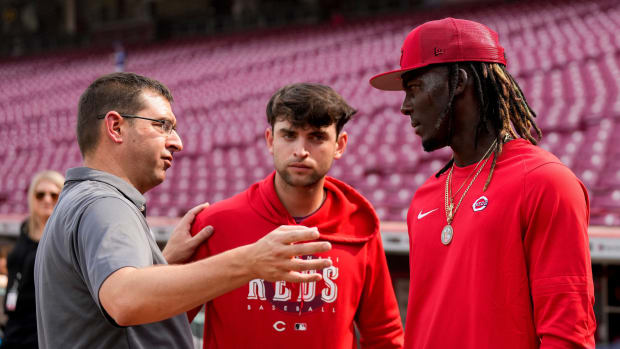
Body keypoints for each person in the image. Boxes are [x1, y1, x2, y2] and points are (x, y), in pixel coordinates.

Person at [34, 72, 333, 349]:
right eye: (162, 125)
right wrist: (251, 260)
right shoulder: (105, 204)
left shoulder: (79, 199)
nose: (177, 141)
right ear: (115, 127)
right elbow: (124, 299)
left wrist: (164, 264)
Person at [369, 18, 596, 348]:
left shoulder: (546, 183)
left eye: (415, 88)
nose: (405, 107)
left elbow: (568, 335)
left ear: (458, 80)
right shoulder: (424, 197)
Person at [188, 83, 404, 348]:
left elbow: (384, 334)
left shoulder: (359, 226)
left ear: (340, 145)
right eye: (289, 135)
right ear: (270, 140)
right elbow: (166, 321)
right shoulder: (215, 223)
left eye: (316, 137)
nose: (301, 150)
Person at [1, 171, 63, 349]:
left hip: (42, 328)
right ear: (32, 198)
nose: (47, 199)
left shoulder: (63, 235)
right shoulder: (25, 229)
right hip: (14, 324)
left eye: (54, 194)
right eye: (40, 194)